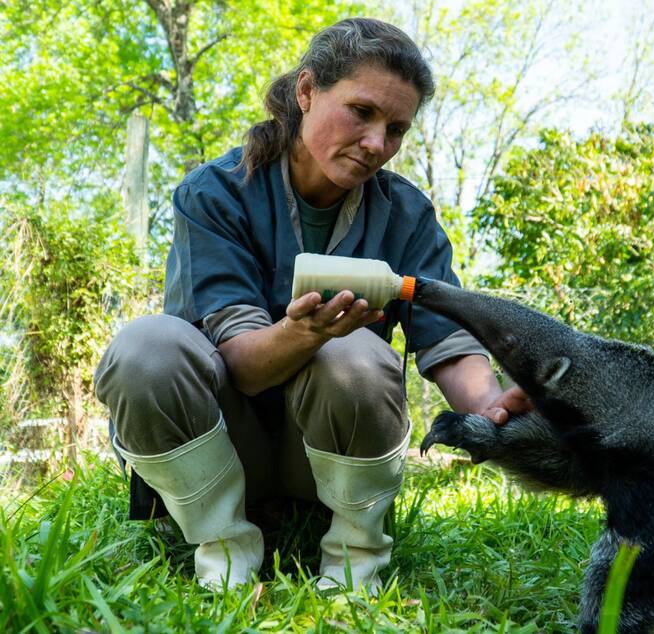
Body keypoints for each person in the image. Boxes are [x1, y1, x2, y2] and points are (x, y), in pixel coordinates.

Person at [94, 17, 529, 593]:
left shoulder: (406, 216)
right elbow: (244, 366)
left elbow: (447, 339)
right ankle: (222, 548)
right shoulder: (215, 195)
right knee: (144, 348)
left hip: (326, 462)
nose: (378, 144)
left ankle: (354, 558)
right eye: (362, 112)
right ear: (306, 92)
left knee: (355, 355)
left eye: (396, 128)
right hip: (224, 442)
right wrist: (304, 334)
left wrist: (495, 408)